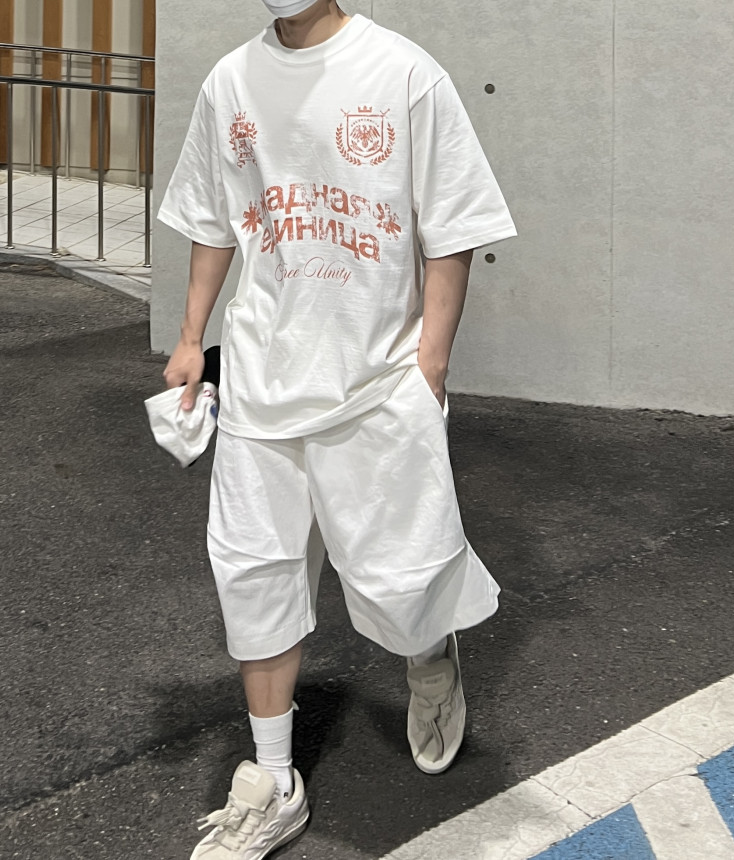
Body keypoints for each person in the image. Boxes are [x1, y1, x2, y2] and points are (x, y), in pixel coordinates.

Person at [158, 1, 516, 856]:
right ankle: (274, 780)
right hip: (261, 376)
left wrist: (431, 363)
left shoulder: (403, 73)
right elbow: (214, 219)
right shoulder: (232, 79)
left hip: (376, 379)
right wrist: (190, 336)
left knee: (400, 574)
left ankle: (429, 654)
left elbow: (454, 225)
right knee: (254, 570)